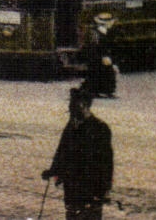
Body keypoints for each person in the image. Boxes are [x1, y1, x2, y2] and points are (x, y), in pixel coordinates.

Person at [42, 87, 114, 220]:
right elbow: (62, 151)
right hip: (72, 186)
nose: (71, 109)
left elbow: (106, 162)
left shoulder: (100, 128)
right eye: (71, 105)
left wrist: (103, 190)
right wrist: (53, 170)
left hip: (90, 188)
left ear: (85, 105)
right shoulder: (71, 126)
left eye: (75, 105)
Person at [82, 13, 118, 98]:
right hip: (96, 58)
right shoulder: (94, 33)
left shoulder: (107, 32)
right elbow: (93, 48)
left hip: (103, 57)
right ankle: (99, 90)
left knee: (109, 69)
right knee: (101, 70)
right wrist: (102, 57)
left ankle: (106, 90)